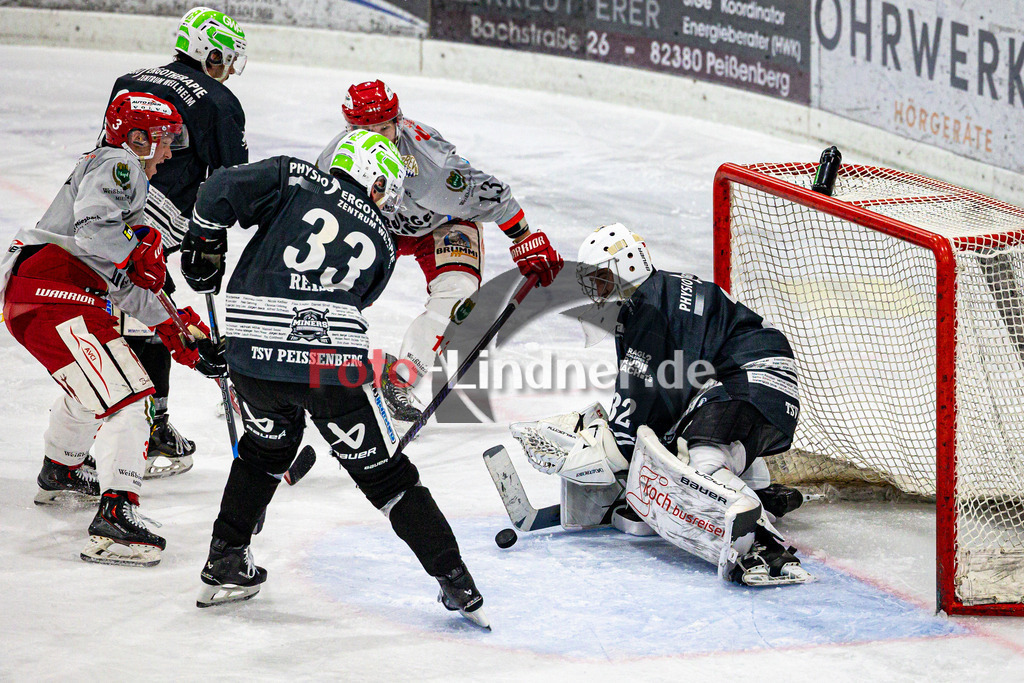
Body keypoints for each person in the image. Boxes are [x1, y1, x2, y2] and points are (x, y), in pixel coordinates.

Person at [180, 131, 490, 628]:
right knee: (387, 478)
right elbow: (356, 297)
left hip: (253, 360)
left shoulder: (294, 174)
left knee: (265, 452)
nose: (389, 198)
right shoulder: (385, 244)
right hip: (329, 366)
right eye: (387, 185)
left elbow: (217, 190)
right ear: (372, 176)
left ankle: (225, 558)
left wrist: (203, 241)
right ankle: (456, 581)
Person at [511, 223, 811, 586]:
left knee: (700, 461)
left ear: (629, 267)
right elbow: (655, 405)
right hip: (755, 382)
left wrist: (592, 456)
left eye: (603, 278)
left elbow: (634, 422)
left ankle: (760, 543)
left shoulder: (647, 310)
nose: (597, 290)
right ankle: (756, 487)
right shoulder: (656, 294)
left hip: (751, 380)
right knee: (683, 445)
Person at [0, 92, 225, 567]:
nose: (168, 152)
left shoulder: (128, 185)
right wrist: (136, 252)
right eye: (163, 141)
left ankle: (61, 469)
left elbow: (124, 283)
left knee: (95, 389)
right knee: (131, 397)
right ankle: (115, 519)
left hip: (47, 291)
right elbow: (95, 232)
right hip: (54, 291)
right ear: (137, 137)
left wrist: (180, 335)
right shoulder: (119, 163)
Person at [316, 80, 563, 421]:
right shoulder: (332, 162)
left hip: (441, 223)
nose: (375, 138)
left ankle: (399, 378)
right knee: (327, 290)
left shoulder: (431, 167)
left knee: (457, 296)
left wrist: (524, 238)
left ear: (397, 121)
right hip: (378, 224)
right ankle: (290, 366)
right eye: (364, 130)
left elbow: (489, 195)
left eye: (383, 129)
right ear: (349, 128)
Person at [103, 6, 249, 478]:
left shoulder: (129, 78)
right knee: (145, 315)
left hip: (100, 204)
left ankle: (150, 423)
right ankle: (139, 431)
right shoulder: (220, 101)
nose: (229, 70)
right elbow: (233, 182)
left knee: (138, 314)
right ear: (213, 53)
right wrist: (210, 240)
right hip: (157, 218)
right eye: (227, 59)